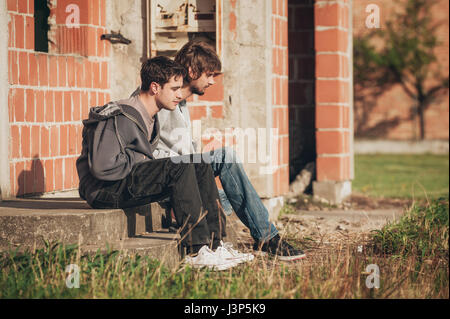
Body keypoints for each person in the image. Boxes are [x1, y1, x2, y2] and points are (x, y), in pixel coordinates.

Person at [76, 56, 251, 270]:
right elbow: (102, 167)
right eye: (175, 88)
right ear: (155, 87)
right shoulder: (122, 116)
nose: (180, 94)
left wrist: (142, 160)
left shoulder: (151, 117)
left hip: (123, 182)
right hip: (103, 191)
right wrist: (140, 158)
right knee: (179, 167)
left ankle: (215, 245)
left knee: (200, 162)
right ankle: (196, 250)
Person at [148, 41, 306, 261]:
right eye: (209, 74)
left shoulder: (181, 104)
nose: (212, 81)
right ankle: (268, 239)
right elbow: (149, 153)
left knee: (235, 194)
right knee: (226, 157)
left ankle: (265, 237)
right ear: (192, 71)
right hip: (171, 179)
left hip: (187, 174)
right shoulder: (162, 100)